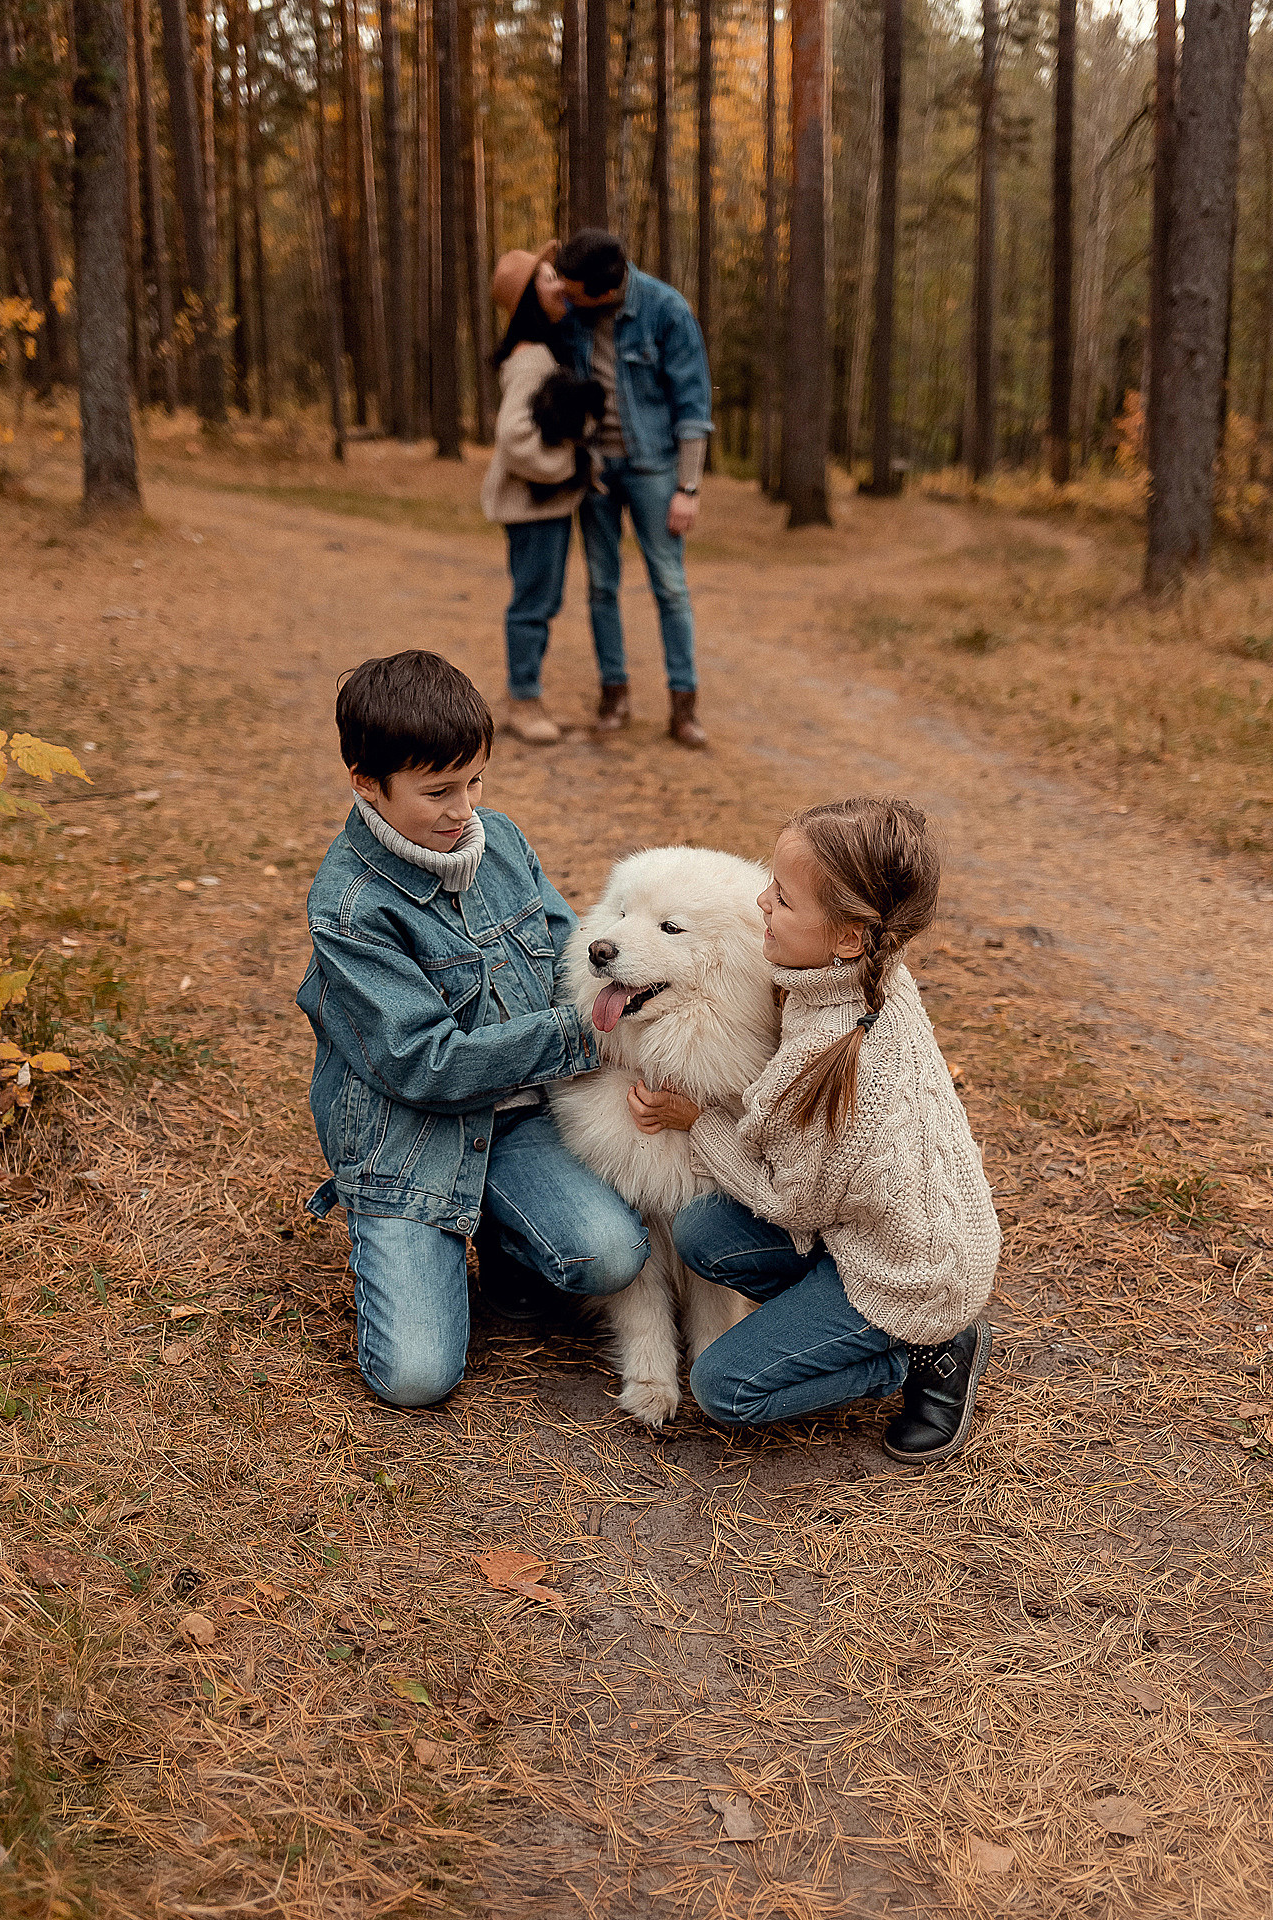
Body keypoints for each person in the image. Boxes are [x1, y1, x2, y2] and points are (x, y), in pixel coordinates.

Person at [296, 649, 649, 1409]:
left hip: (520, 1117)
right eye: (437, 791)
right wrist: (584, 1033)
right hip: (412, 1138)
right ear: (367, 782)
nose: (464, 810)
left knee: (614, 1254)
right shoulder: (351, 910)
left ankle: (508, 1242)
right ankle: (400, 1233)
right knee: (416, 1379)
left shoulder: (502, 841)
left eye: (475, 781)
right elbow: (426, 1065)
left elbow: (568, 951)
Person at [627, 797, 1000, 1461]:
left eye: (783, 899)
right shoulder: (863, 976)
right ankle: (830, 1328)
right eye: (771, 887)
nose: (761, 904)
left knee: (726, 1389)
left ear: (849, 935)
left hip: (907, 1275)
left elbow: (785, 1202)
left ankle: (923, 1353)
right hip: (875, 1229)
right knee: (702, 1233)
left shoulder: (831, 1060)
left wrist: (699, 1121)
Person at [556, 229, 713, 750]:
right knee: (601, 584)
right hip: (597, 471)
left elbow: (694, 408)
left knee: (669, 586)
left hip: (656, 470)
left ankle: (683, 707)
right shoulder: (574, 313)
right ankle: (614, 695)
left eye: (574, 288)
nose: (565, 294)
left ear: (603, 289)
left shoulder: (667, 311)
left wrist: (687, 487)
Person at [482, 242, 595, 746]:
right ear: (530, 298)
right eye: (548, 279)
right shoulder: (532, 360)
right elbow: (514, 438)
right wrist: (569, 466)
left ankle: (525, 695)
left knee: (541, 599)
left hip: (541, 504)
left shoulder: (541, 351)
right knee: (533, 601)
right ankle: (523, 701)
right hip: (534, 506)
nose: (559, 286)